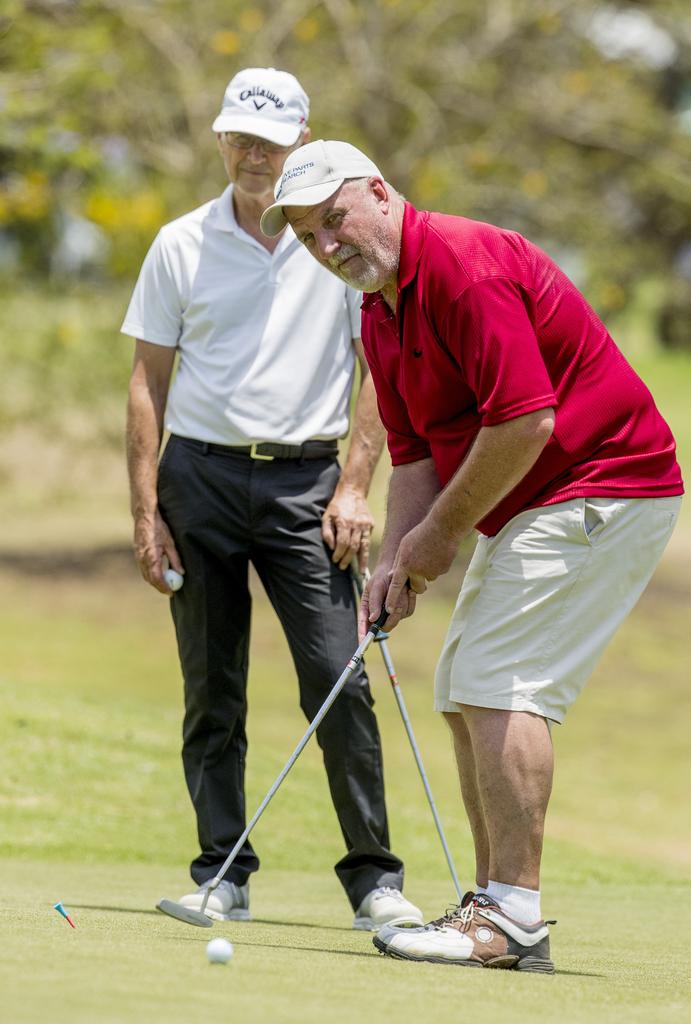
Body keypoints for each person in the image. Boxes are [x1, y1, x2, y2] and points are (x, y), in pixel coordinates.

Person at [260, 139, 685, 971]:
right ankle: (493, 907)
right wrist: (396, 563)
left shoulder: (462, 263)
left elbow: (527, 421)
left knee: (501, 680)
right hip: (537, 498)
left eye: (334, 219)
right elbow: (416, 456)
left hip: (606, 481)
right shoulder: (380, 312)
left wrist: (440, 539)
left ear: (379, 193)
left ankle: (513, 914)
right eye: (309, 236)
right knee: (464, 686)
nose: (327, 246)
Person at [122, 74, 423, 932]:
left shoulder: (338, 245)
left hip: (308, 488)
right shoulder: (180, 244)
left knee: (339, 680)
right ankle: (222, 872)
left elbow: (380, 368)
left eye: (271, 140)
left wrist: (358, 481)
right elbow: (147, 382)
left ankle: (374, 880)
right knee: (211, 690)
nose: (255, 156)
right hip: (200, 481)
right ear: (221, 140)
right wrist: (146, 515)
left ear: (302, 140)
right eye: (240, 139)